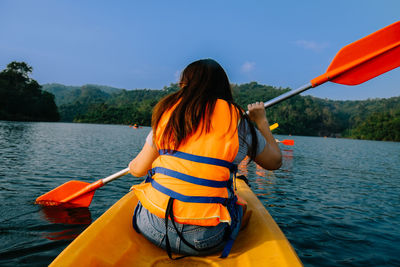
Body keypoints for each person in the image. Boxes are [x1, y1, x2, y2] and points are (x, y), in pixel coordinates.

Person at [129, 59, 282, 259]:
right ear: (223, 87)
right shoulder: (239, 123)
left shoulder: (168, 114)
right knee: (240, 207)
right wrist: (261, 121)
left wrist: (132, 165)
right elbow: (275, 162)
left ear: (184, 85)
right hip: (205, 239)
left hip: (152, 227)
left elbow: (138, 170)